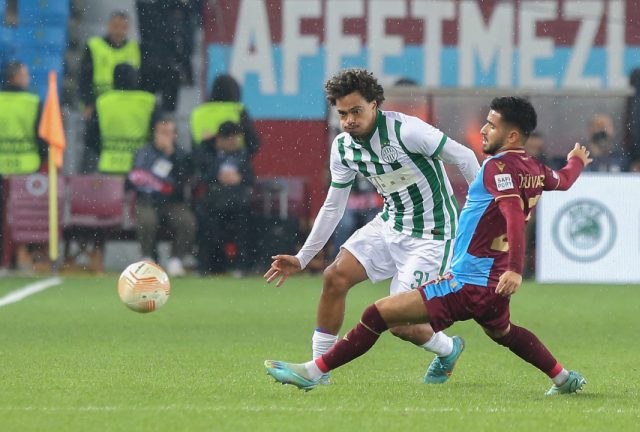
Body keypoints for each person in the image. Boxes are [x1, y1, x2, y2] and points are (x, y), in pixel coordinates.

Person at [265, 96, 592, 396]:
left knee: (377, 314)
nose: (483, 129)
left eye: (492, 125)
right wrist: (576, 160)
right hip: (492, 285)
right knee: (505, 332)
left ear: (511, 136)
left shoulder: (497, 168)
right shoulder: (535, 168)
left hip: (467, 282)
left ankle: (312, 371)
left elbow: (510, 215)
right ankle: (564, 378)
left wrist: (516, 270)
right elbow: (563, 180)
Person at [264, 68, 480, 385]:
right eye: (342, 114)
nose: (349, 119)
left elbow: (465, 157)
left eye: (356, 111)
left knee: (399, 323)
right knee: (334, 277)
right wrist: (303, 257)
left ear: (375, 105)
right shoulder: (343, 148)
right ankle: (318, 371)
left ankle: (447, 348)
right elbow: (333, 205)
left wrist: (480, 216)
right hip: (389, 225)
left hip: (432, 236)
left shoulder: (408, 131)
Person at [127, 115, 196, 277]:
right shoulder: (143, 153)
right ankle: (148, 258)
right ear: (154, 134)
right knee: (147, 220)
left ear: (175, 135)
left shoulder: (182, 155)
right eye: (162, 132)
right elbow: (132, 181)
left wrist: (172, 156)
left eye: (169, 133)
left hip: (172, 202)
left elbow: (183, 182)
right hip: (147, 200)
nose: (166, 137)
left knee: (187, 221)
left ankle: (176, 260)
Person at [0, 62, 48, 270]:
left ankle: (6, 257)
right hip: (27, 169)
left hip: (2, 169)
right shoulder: (33, 102)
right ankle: (26, 253)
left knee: (4, 216)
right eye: (25, 74)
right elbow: (42, 139)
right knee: (27, 217)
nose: (28, 78)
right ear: (15, 77)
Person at [196, 121, 256, 276]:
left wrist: (239, 178)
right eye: (229, 140)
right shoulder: (210, 153)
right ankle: (210, 266)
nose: (233, 143)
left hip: (238, 202)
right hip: (214, 202)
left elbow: (250, 178)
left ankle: (242, 266)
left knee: (245, 224)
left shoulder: (242, 155)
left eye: (235, 140)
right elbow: (199, 172)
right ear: (220, 139)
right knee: (209, 225)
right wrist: (217, 177)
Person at [84, 63, 156, 174]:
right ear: (136, 78)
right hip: (140, 166)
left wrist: (104, 151)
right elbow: (157, 135)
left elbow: (90, 137)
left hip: (109, 166)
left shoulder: (102, 102)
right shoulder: (148, 101)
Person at [79, 10, 141, 121]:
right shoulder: (95, 46)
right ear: (108, 26)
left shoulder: (134, 49)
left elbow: (138, 80)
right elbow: (84, 78)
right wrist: (88, 103)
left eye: (124, 27)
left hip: (125, 106)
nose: (119, 31)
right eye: (115, 26)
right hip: (98, 103)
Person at [189, 74, 260, 156]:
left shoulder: (197, 113)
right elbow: (253, 143)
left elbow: (194, 147)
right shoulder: (238, 110)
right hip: (235, 160)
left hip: (206, 163)